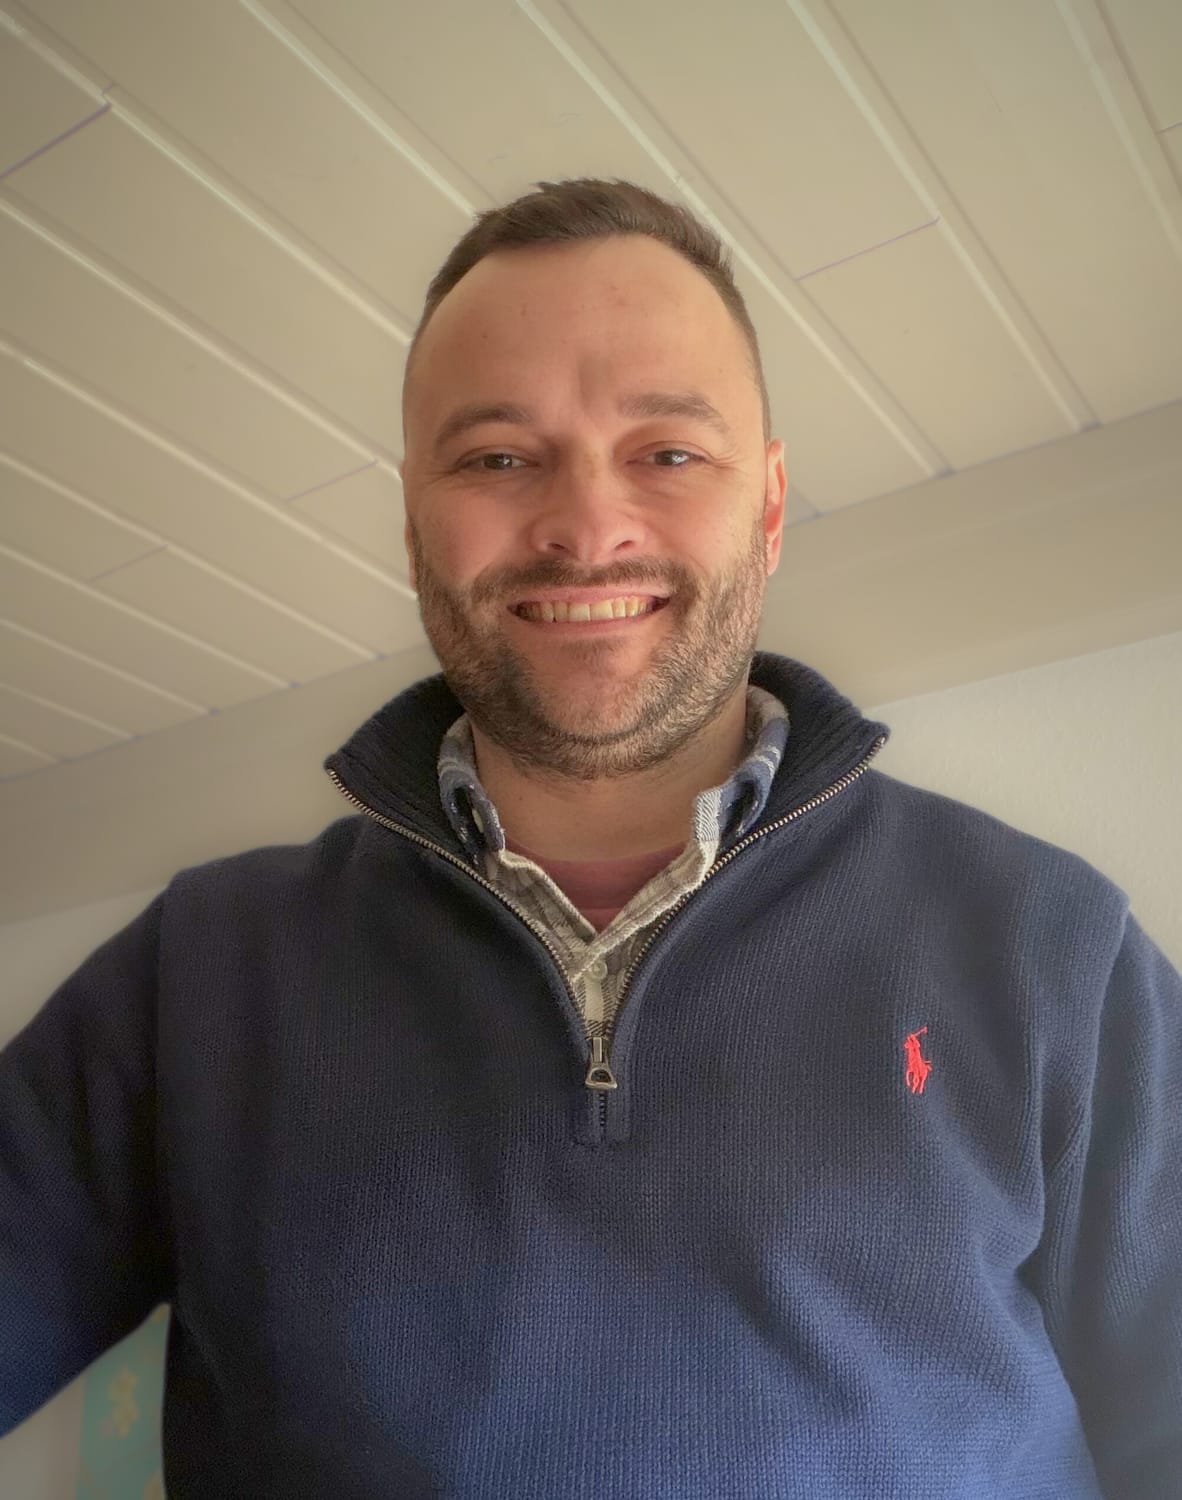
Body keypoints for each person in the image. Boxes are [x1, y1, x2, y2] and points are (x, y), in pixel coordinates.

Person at [1, 178, 1179, 1499]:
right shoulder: (197, 974)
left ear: (768, 507)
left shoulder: (1049, 947)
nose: (585, 527)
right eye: (498, 458)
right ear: (413, 522)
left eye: (666, 453)